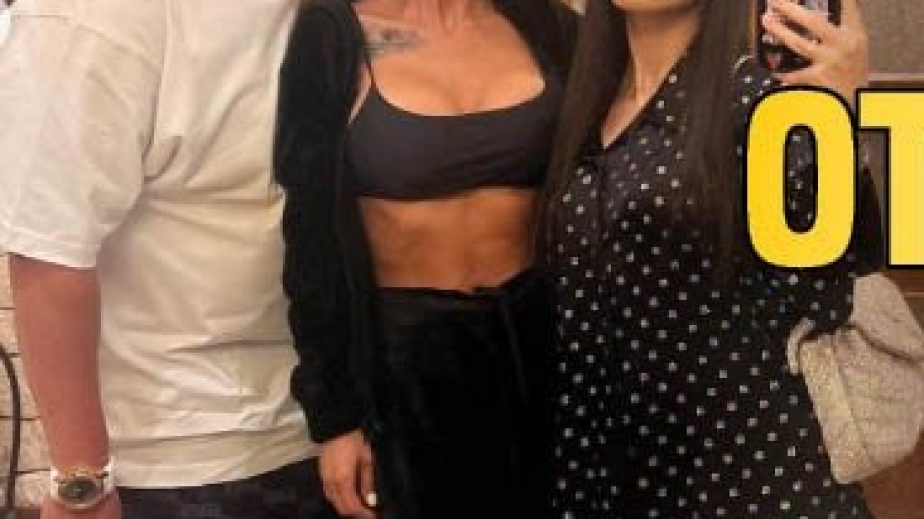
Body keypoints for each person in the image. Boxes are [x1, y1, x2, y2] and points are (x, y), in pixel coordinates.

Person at [543, 0, 881, 517]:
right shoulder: (582, 103)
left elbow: (827, 292)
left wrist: (833, 118)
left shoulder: (765, 102)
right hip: (605, 476)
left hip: (747, 482)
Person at [0, 1, 337, 517]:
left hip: (330, 427)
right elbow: (49, 251)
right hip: (178, 457)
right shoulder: (90, 15)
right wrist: (82, 484)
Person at [273, 0, 572, 517]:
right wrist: (336, 421)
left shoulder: (545, 22)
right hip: (407, 365)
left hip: (540, 343)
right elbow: (310, 241)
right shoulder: (333, 35)